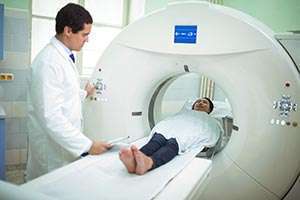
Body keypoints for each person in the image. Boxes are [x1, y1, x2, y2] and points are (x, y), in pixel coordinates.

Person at [26, 3, 111, 181]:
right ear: (68, 31)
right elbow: (51, 116)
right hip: (51, 151)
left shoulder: (63, 56)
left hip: (63, 146)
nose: (87, 40)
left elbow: (62, 95)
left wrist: (84, 93)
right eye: (84, 34)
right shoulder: (48, 62)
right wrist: (88, 145)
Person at [119, 97, 219, 175]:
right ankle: (135, 160)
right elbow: (171, 121)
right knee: (158, 138)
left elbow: (211, 130)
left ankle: (149, 163)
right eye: (198, 101)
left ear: (209, 110)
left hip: (187, 132)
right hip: (171, 127)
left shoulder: (209, 120)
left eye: (205, 102)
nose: (200, 103)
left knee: (173, 143)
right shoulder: (183, 113)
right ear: (193, 106)